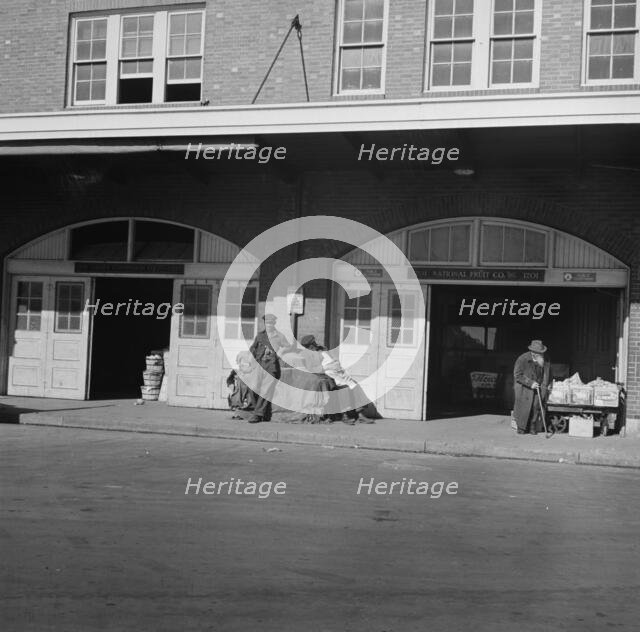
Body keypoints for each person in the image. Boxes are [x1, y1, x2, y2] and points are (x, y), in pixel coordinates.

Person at [299, 335, 375, 424]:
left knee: (354, 385)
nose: (315, 345)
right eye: (312, 344)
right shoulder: (307, 355)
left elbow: (333, 358)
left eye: (314, 343)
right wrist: (326, 367)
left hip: (338, 371)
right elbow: (312, 369)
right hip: (327, 374)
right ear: (308, 347)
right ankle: (345, 416)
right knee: (344, 387)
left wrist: (336, 364)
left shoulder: (322, 349)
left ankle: (361, 414)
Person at [247, 314, 291, 423]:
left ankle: (257, 415)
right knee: (252, 388)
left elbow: (289, 347)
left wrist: (280, 352)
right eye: (267, 323)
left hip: (271, 367)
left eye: (271, 323)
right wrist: (249, 360)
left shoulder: (279, 336)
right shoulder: (260, 336)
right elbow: (253, 348)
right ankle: (263, 412)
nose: (269, 325)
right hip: (259, 365)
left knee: (265, 391)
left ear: (274, 324)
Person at [513, 340, 551, 435]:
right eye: (540, 353)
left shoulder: (545, 359)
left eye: (542, 353)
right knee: (524, 407)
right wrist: (530, 383)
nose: (542, 355)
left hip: (539, 387)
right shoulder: (522, 359)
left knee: (536, 407)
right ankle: (521, 427)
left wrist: (547, 385)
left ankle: (532, 427)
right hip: (524, 388)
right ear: (533, 353)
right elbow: (517, 375)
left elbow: (548, 374)